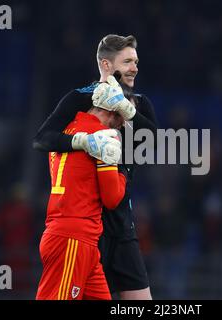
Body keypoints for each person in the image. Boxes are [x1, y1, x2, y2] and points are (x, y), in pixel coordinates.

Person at [33, 34, 157, 299]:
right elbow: (42, 139)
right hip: (86, 223)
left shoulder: (138, 104)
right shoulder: (80, 99)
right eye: (128, 61)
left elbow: (156, 140)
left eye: (136, 61)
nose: (135, 67)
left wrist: (127, 109)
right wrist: (83, 141)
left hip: (120, 224)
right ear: (106, 65)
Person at [35, 106, 126, 300]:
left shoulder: (63, 129)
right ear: (111, 112)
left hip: (71, 234)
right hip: (74, 238)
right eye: (121, 120)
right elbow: (112, 198)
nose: (121, 126)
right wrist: (123, 173)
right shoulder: (102, 136)